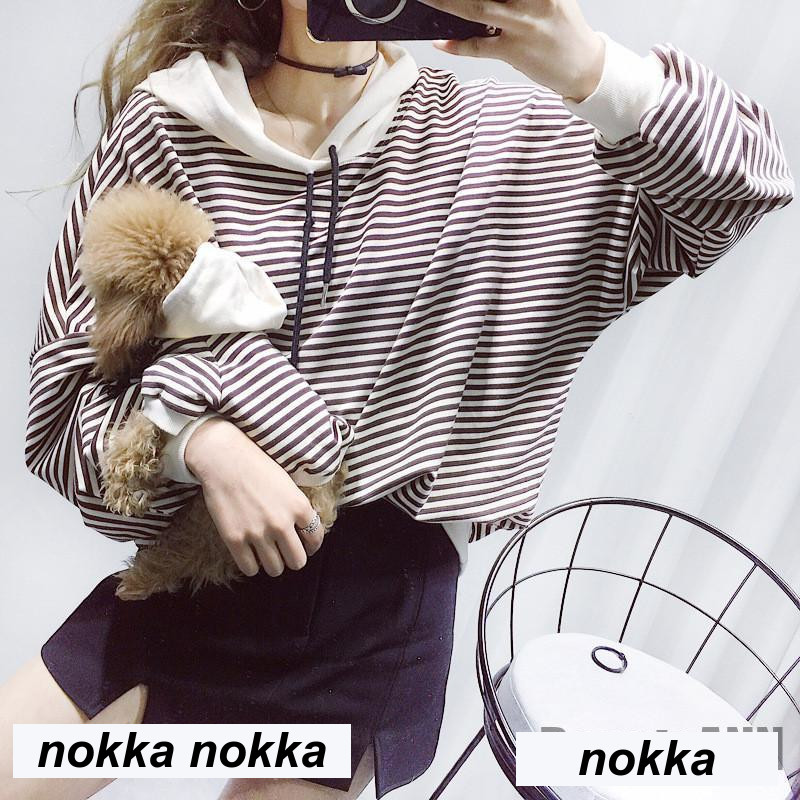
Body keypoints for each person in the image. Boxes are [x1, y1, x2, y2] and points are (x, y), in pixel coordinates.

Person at [1, 0, 794, 797]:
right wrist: (201, 444)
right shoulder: (171, 124)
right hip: (194, 582)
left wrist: (585, 64)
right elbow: (60, 412)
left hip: (368, 628)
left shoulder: (505, 146)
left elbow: (747, 184)